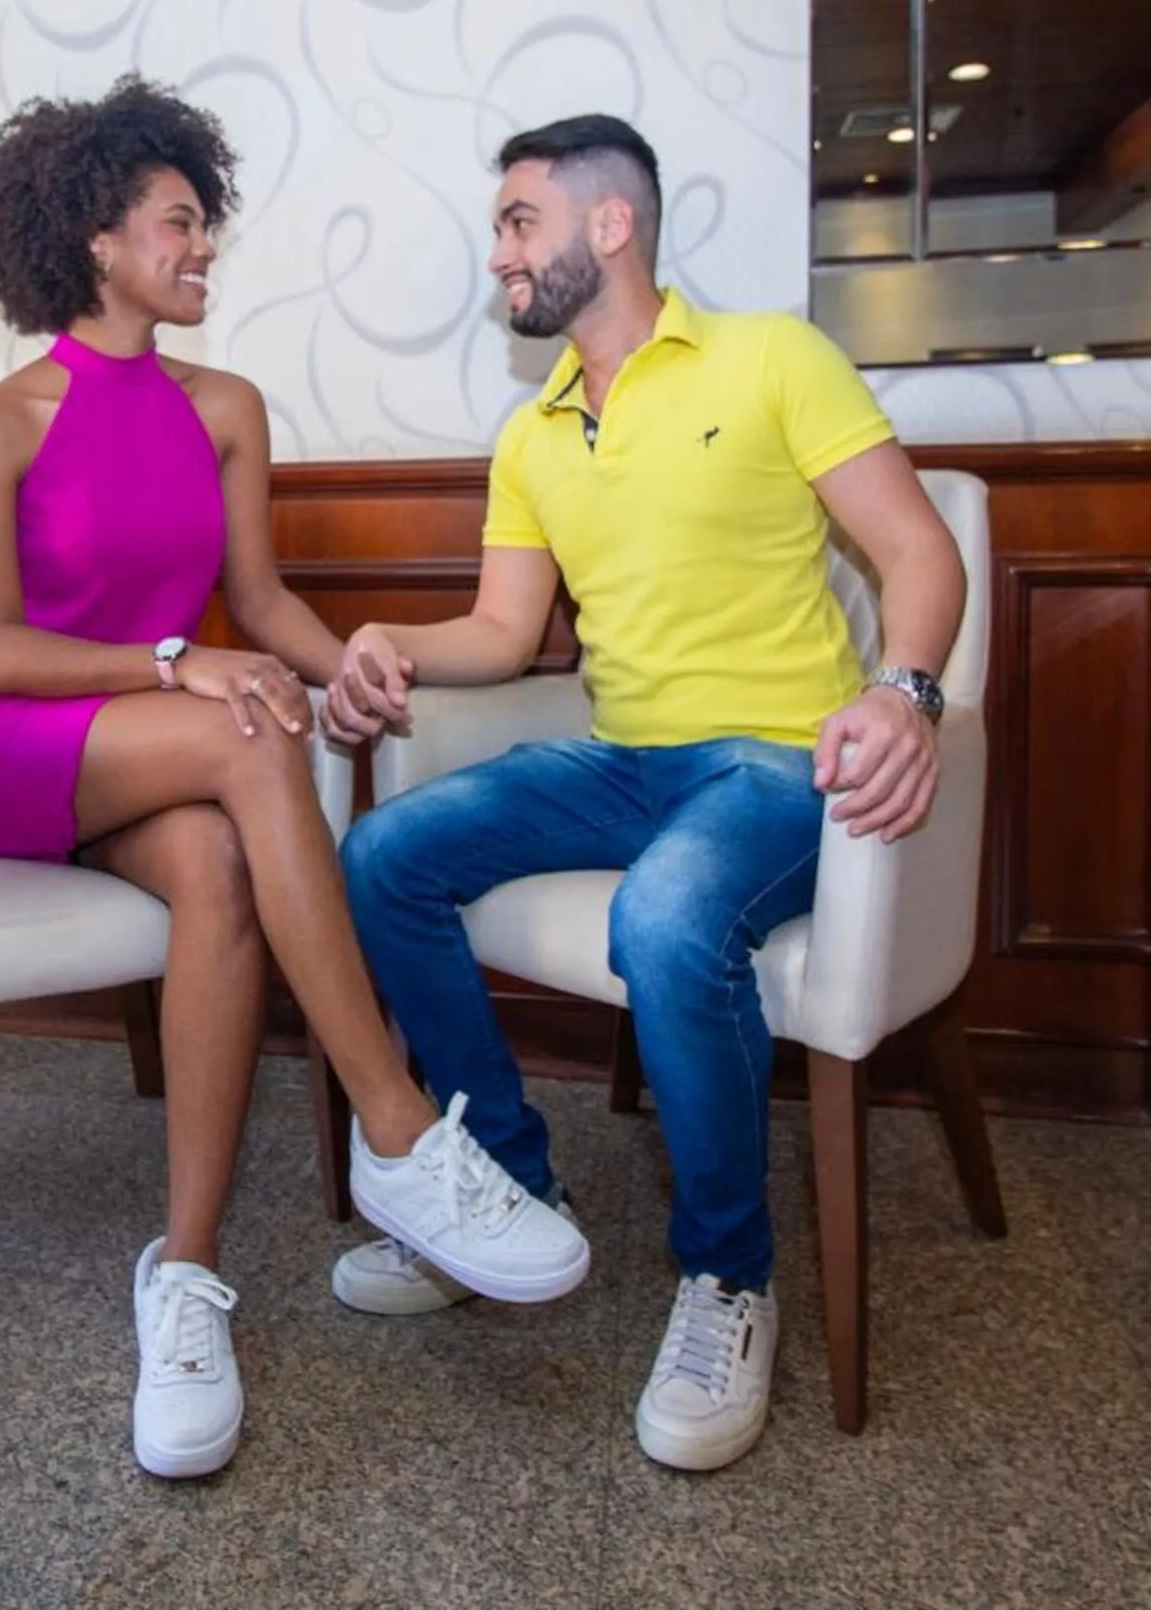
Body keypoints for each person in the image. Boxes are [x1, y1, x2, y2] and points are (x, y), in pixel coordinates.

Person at [0, 76, 590, 1482]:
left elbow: (261, 597)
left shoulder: (225, 406)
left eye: (205, 222)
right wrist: (181, 666)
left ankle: (186, 1279)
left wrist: (348, 661)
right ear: (98, 237)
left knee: (235, 826)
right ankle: (397, 1131)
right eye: (181, 222)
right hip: (8, 752)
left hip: (149, 760)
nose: (205, 244)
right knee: (248, 724)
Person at [319, 112, 965, 1472]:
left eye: (517, 222)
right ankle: (502, 1186)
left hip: (777, 758)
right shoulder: (536, 429)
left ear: (610, 224)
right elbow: (503, 636)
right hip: (621, 758)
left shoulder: (771, 356)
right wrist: (385, 644)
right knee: (383, 855)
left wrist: (901, 690)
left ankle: (729, 1278)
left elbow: (920, 551)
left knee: (668, 917)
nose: (496, 251)